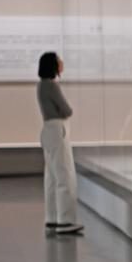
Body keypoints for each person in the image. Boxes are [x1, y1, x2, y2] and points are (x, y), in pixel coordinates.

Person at [37, 52, 83, 235]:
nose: (61, 63)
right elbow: (66, 110)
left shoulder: (41, 85)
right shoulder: (52, 85)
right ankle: (65, 220)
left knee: (52, 177)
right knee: (65, 175)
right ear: (53, 65)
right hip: (57, 129)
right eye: (58, 61)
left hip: (48, 130)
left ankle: (52, 218)